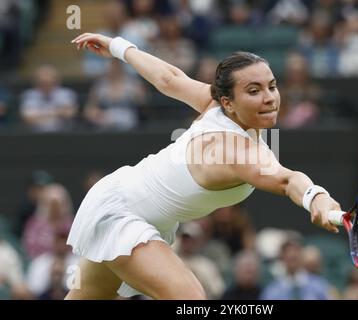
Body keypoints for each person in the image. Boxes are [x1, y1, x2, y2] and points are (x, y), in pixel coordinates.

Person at [65, 32, 342, 300]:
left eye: (272, 86)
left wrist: (116, 46)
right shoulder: (235, 151)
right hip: (120, 213)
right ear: (228, 102)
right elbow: (285, 180)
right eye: (254, 91)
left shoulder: (214, 106)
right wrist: (314, 196)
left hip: (128, 205)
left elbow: (168, 78)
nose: (269, 97)